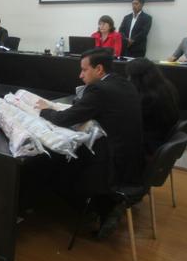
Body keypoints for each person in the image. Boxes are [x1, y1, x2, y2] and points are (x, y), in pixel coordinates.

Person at [35, 49, 143, 238]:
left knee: (55, 166)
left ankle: (99, 208)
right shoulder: (124, 83)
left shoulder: (99, 89)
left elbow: (65, 118)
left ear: (99, 69)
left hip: (111, 164)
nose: (80, 75)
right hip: (132, 160)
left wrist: (45, 110)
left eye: (84, 70)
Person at [126, 58, 180, 156]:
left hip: (148, 146)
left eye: (130, 76)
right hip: (161, 139)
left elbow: (132, 124)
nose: (128, 79)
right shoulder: (167, 86)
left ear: (137, 78)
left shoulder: (147, 98)